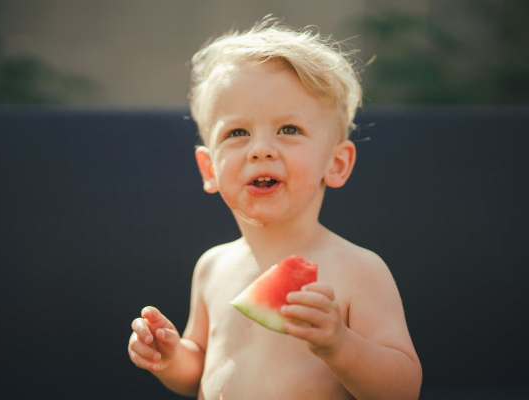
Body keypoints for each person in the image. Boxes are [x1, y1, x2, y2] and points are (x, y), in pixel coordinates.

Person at [129, 17, 422, 400]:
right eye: (237, 133)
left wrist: (340, 346)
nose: (260, 149)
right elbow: (198, 368)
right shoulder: (211, 267)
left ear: (336, 164)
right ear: (209, 168)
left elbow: (404, 389)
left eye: (289, 129)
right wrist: (170, 359)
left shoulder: (360, 269)